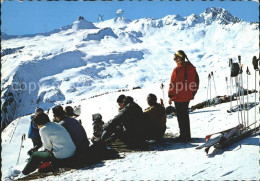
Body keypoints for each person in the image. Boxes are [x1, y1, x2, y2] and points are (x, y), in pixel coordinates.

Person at [20, 112, 76, 177]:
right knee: (42, 155)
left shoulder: (43, 129)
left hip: (62, 157)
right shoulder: (56, 124)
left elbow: (48, 147)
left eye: (37, 125)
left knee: (35, 155)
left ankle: (23, 174)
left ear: (39, 123)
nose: (37, 127)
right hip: (72, 153)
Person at [168, 50, 199, 142]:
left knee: (180, 116)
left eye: (175, 58)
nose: (174, 60)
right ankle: (187, 135)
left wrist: (170, 95)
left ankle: (183, 135)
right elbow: (196, 81)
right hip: (188, 95)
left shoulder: (177, 70)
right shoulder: (191, 68)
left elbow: (173, 84)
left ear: (179, 58)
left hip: (178, 97)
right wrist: (193, 92)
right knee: (185, 115)